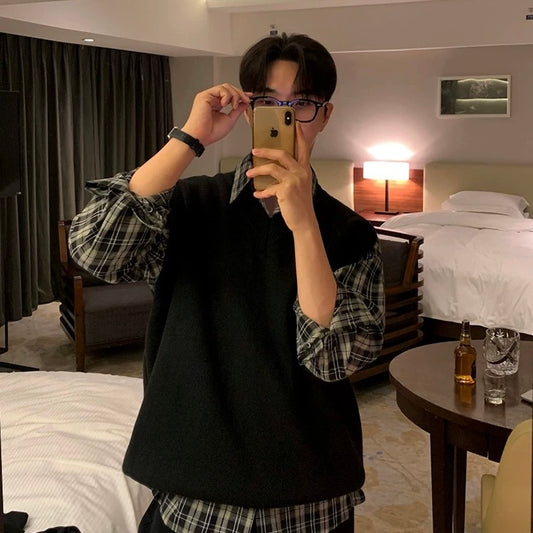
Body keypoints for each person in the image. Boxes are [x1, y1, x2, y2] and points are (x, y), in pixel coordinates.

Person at [69, 32, 385, 533]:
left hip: (310, 498)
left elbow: (335, 359)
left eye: (302, 104)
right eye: (268, 102)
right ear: (248, 110)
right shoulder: (189, 205)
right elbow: (96, 250)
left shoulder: (349, 232)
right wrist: (188, 140)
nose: (285, 117)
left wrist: (304, 224)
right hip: (194, 492)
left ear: (325, 115)